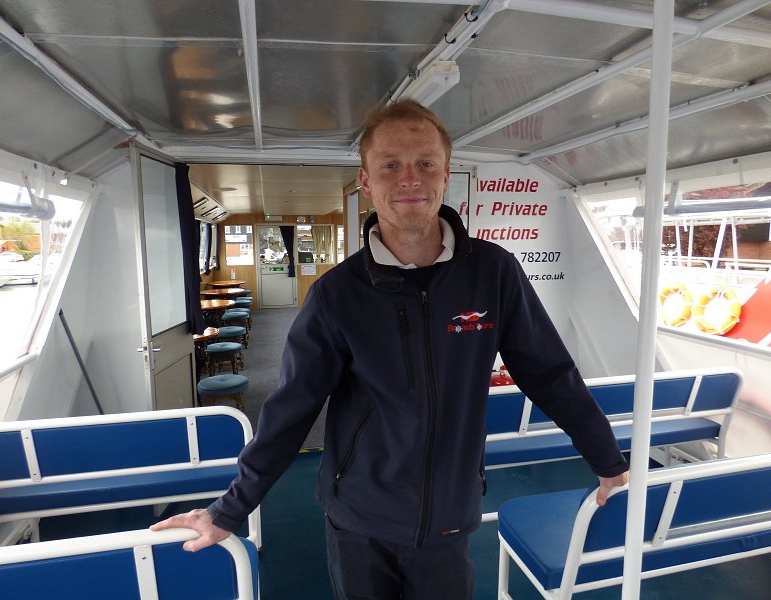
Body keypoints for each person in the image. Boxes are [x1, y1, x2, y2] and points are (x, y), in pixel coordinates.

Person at [152, 99, 629, 599]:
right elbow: (290, 410)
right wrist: (230, 510)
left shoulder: (494, 272)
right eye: (390, 166)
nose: (410, 179)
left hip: (449, 514)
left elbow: (550, 373)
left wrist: (609, 462)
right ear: (366, 180)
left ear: (446, 178)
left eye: (425, 164)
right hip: (359, 518)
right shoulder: (338, 295)